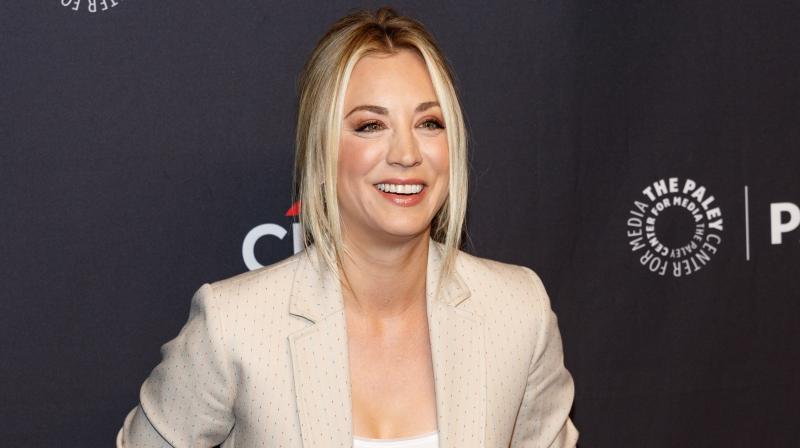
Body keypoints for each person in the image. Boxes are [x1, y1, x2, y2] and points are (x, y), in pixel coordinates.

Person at [117, 7, 578, 448]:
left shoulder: (519, 313)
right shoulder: (233, 326)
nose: (406, 153)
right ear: (321, 155)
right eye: (371, 125)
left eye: (429, 122)